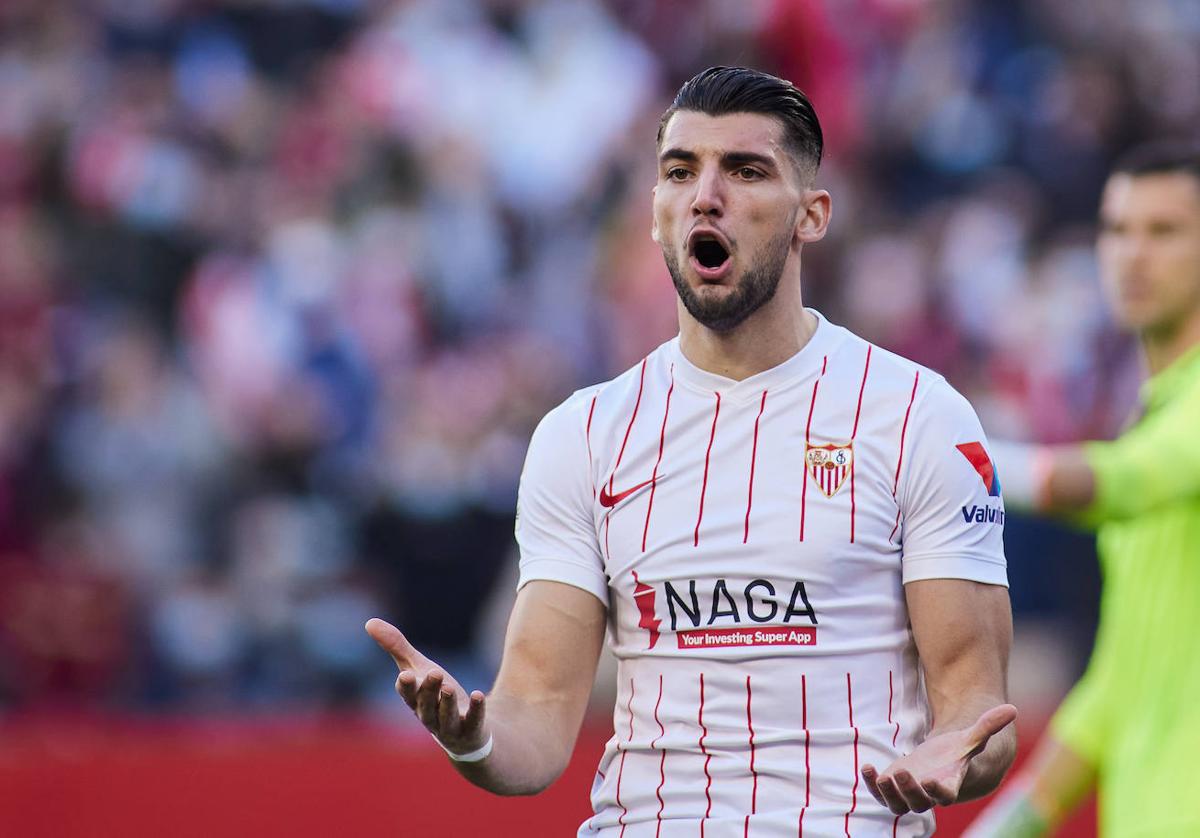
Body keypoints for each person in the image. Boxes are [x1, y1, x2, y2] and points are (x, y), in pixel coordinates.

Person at [366, 66, 1017, 836]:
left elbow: (978, 706)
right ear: (655, 213)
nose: (707, 194)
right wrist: (473, 740)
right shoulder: (583, 434)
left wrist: (954, 751)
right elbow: (537, 714)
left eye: (745, 171)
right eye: (681, 171)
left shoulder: (917, 415)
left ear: (812, 215)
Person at [967, 144, 1200, 837]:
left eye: (1164, 231)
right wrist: (1005, 826)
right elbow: (1116, 687)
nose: (1133, 254)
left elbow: (1123, 481)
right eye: (1117, 229)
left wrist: (951, 461)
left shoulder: (1163, 438)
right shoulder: (1150, 417)